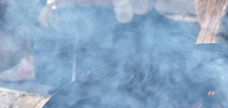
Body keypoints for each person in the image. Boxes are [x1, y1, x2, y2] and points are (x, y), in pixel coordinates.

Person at [0, 0, 199, 86]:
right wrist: (46, 4)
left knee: (133, 73)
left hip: (130, 17)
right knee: (88, 78)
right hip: (87, 14)